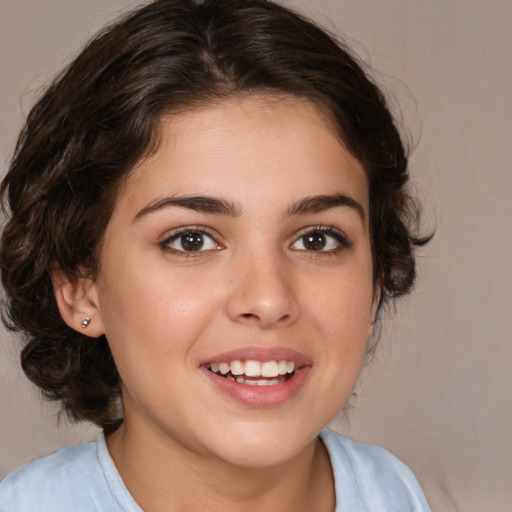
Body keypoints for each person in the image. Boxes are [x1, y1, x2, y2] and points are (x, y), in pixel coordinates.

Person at [0, 0, 432, 510]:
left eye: (317, 239)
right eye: (191, 240)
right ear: (78, 287)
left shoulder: (393, 490)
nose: (268, 300)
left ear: (376, 281)